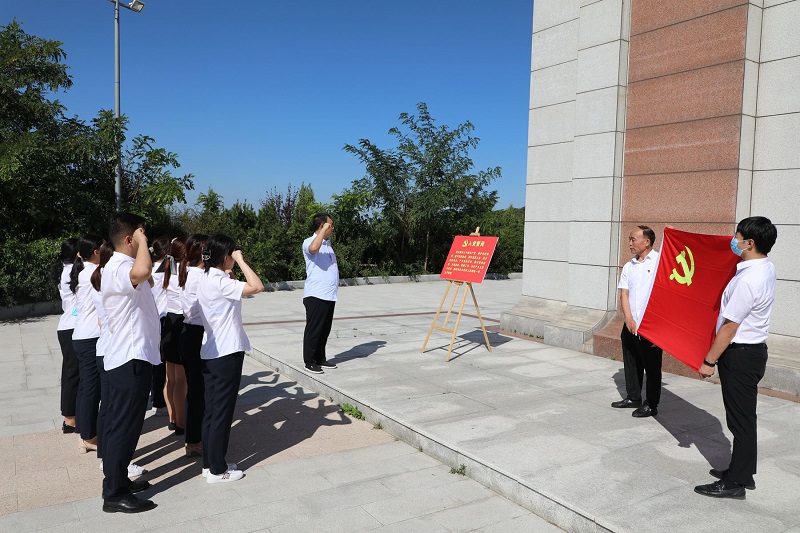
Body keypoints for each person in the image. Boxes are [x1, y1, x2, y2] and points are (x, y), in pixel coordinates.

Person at [695, 216, 777, 500]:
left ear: (749, 243)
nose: (734, 240)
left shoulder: (748, 280)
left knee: (740, 421)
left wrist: (709, 361)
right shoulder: (765, 268)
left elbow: (730, 326)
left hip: (740, 355)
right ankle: (742, 471)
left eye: (737, 236)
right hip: (752, 353)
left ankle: (736, 483)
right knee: (743, 418)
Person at [100, 213, 160, 513]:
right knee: (124, 427)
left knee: (120, 425)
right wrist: (142, 239)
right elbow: (145, 270)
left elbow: (147, 274)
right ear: (129, 239)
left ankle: (117, 478)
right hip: (130, 357)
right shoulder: (119, 268)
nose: (143, 240)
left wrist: (139, 240)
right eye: (139, 235)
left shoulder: (120, 266)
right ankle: (114, 493)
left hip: (130, 355)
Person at [198, 234, 263, 483]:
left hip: (212, 351)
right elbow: (256, 286)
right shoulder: (221, 282)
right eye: (233, 254)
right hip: (226, 353)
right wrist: (241, 260)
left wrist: (230, 264)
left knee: (212, 411)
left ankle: (210, 463)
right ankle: (217, 470)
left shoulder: (208, 278)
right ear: (225, 256)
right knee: (222, 412)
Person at [611, 225, 663, 418]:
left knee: (652, 367)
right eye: (630, 239)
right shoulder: (628, 266)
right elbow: (624, 293)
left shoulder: (660, 262)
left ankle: (651, 403)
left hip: (651, 326)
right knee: (631, 362)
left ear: (647, 241)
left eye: (634, 239)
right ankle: (633, 397)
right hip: (631, 324)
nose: (630, 243)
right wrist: (628, 318)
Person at [70, 235, 105, 453]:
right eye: (103, 248)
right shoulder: (93, 273)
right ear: (95, 252)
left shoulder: (83, 272)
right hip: (90, 336)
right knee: (92, 388)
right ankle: (89, 436)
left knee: (86, 387)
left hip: (82, 335)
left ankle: (84, 432)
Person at [179, 234, 208, 457]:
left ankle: (193, 438)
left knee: (194, 389)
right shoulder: (200, 277)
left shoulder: (186, 271)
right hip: (198, 333)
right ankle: (195, 439)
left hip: (188, 333)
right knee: (199, 390)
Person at [301, 213, 339, 374]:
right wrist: (323, 230)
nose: (332, 228)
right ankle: (309, 361)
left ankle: (320, 358)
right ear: (321, 226)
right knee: (314, 329)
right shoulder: (309, 242)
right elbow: (313, 249)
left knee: (325, 329)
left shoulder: (327, 244)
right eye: (330, 225)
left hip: (329, 295)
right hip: (316, 294)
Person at [160, 237, 188, 435]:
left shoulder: (167, 269)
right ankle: (181, 422)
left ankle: (172, 417)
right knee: (181, 380)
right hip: (181, 323)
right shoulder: (184, 273)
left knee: (170, 378)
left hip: (168, 323)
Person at [52, 238, 80, 434]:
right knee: (73, 374)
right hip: (72, 326)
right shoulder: (73, 272)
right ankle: (70, 418)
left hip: (67, 326)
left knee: (71, 372)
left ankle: (72, 416)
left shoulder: (65, 269)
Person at [149, 237, 170, 417]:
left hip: (153, 319)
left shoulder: (147, 271)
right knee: (165, 361)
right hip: (166, 318)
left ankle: (156, 398)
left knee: (157, 361)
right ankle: (162, 399)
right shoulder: (168, 271)